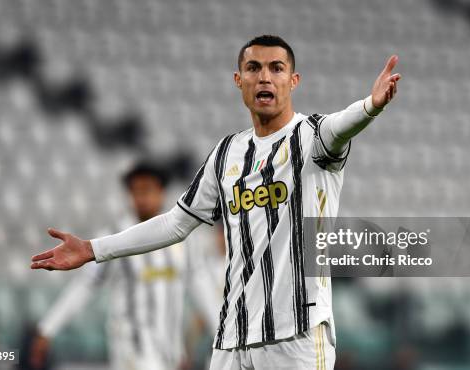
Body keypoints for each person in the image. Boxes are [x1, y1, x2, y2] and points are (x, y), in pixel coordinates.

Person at [31, 34, 400, 370]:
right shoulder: (226, 154)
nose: (265, 77)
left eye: (277, 68)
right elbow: (176, 223)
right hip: (232, 340)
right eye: (253, 68)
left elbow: (340, 127)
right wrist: (93, 249)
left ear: (294, 80)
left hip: (297, 334)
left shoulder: (311, 139)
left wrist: (370, 106)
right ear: (239, 80)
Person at [30, 162, 222, 370]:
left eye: (147, 190)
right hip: (131, 349)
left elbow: (201, 289)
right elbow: (84, 286)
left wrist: (220, 333)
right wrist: (47, 329)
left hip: (170, 350)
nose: (141, 198)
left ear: (161, 192)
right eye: (136, 191)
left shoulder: (186, 242)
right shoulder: (113, 237)